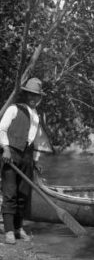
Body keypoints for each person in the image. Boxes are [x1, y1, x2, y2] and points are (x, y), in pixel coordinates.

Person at [0, 78, 45, 244]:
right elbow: (1, 129)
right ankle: (9, 231)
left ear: (40, 98)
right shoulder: (14, 109)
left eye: (36, 95)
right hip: (10, 154)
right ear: (26, 95)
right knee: (10, 193)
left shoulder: (36, 116)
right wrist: (5, 149)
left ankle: (19, 229)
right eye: (30, 94)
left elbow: (33, 140)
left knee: (23, 195)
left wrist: (35, 161)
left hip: (26, 157)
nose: (33, 98)